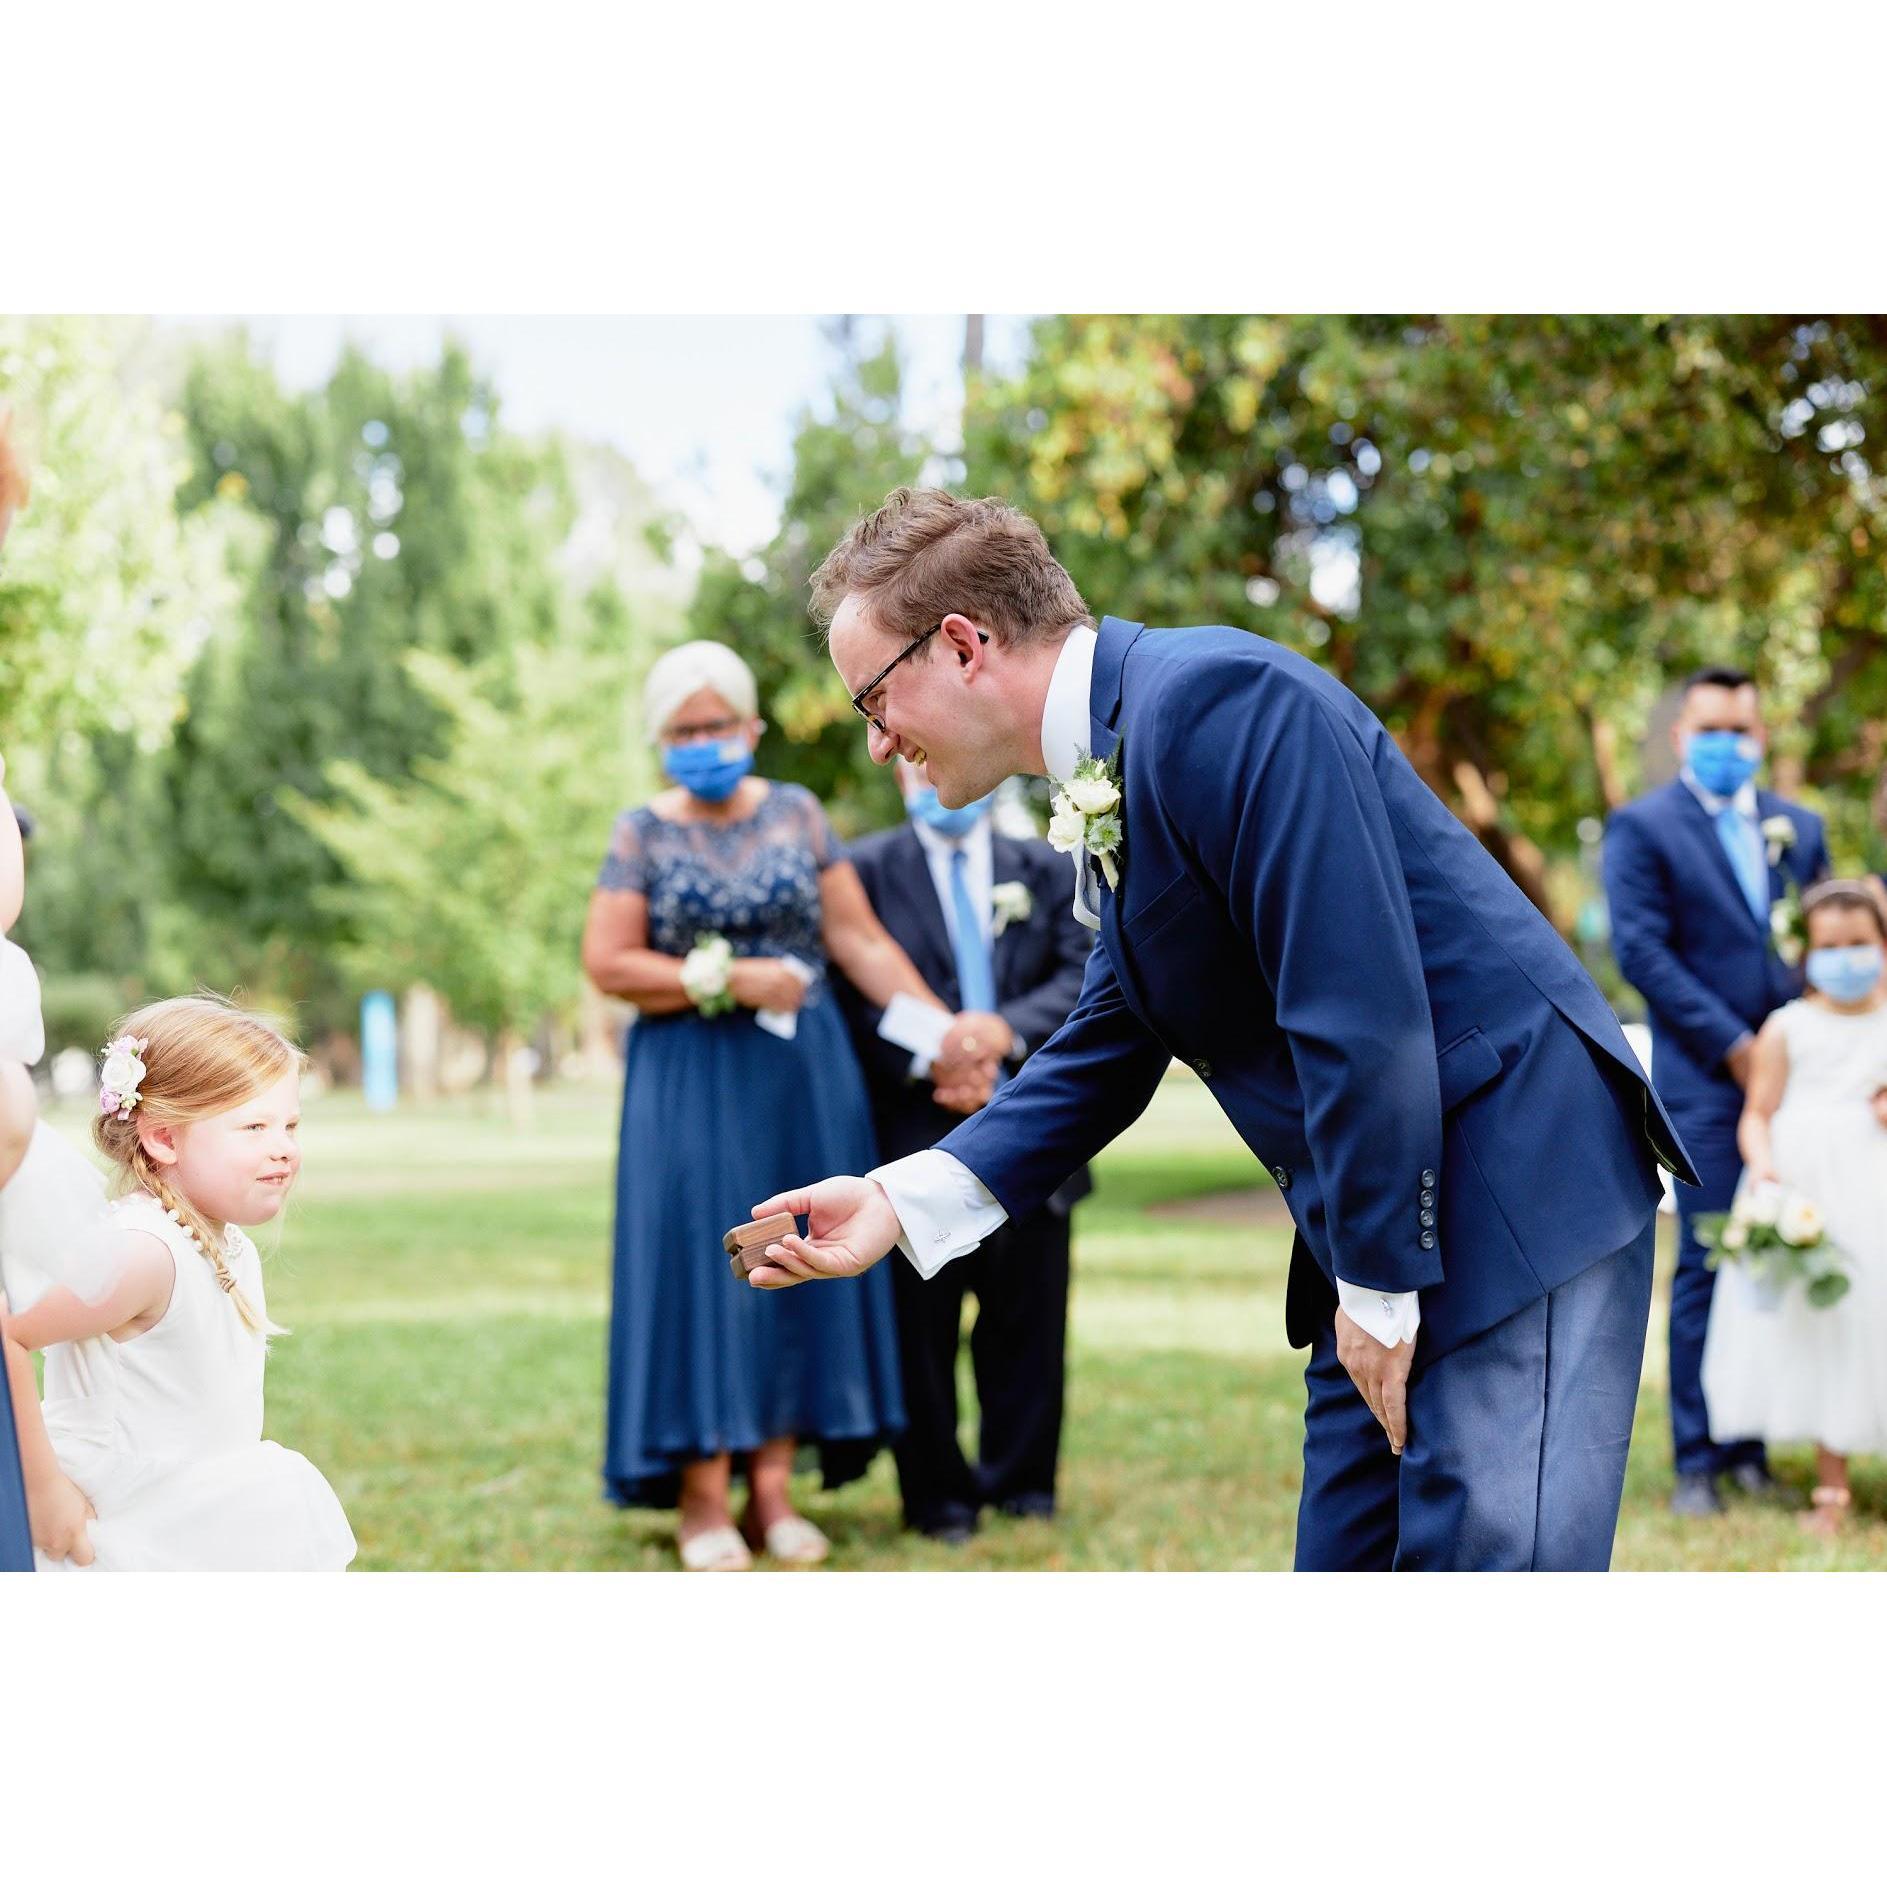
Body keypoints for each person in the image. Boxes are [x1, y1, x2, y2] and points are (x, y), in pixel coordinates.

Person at [739, 487, 1695, 1573]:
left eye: (872, 699)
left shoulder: (1221, 702)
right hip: (1376, 1236)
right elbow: (1112, 1031)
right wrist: (899, 1199)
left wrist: (1378, 1290)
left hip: (1510, 1188)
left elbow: (1358, 1006)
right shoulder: (1120, 751)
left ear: (963, 643)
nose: (876, 746)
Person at [580, 640, 938, 1570]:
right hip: (687, 1078)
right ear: (661, 740)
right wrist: (730, 978)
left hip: (801, 1078)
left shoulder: (798, 813)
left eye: (717, 724)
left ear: (751, 726)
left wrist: (946, 1033)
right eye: (683, 729)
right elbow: (609, 962)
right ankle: (703, 1496)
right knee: (703, 1265)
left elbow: (857, 939)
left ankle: (773, 1489)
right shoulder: (640, 832)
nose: (703, 741)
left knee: (794, 1247)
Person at [3, 995, 355, 1571]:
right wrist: (40, 1491)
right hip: (122, 1521)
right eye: (254, 1127)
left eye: (289, 1125)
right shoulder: (144, 1253)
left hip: (201, 1507)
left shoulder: (220, 1240)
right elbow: (10, 1333)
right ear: (164, 1138)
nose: (284, 1148)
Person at [838, 756, 1094, 1542]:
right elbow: (849, 990)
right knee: (921, 1330)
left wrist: (999, 1035)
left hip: (1034, 1133)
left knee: (1028, 1322)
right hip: (914, 1131)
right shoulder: (863, 871)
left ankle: (1021, 1485)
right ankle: (938, 1497)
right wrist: (933, 1058)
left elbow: (1084, 972)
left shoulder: (1045, 866)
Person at [1602, 667, 1829, 1516]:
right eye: (1710, 729)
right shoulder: (1640, 828)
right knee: (1706, 1263)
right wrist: (1739, 1048)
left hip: (1800, 1095)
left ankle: (1749, 1448)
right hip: (1702, 1088)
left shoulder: (1797, 827)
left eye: (1740, 729)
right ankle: (1695, 1458)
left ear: (1760, 735)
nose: (1726, 743)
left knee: (1778, 1259)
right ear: (1679, 736)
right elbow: (1642, 952)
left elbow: (1826, 937)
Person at [1700, 883, 1887, 1532]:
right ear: (1805, 953)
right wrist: (1764, 1169)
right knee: (1828, 1325)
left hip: (1878, 1181)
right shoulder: (1786, 1026)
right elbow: (1756, 1115)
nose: (1844, 957)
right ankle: (1830, 1488)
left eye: (1858, 944)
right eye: (1828, 947)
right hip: (1812, 1188)